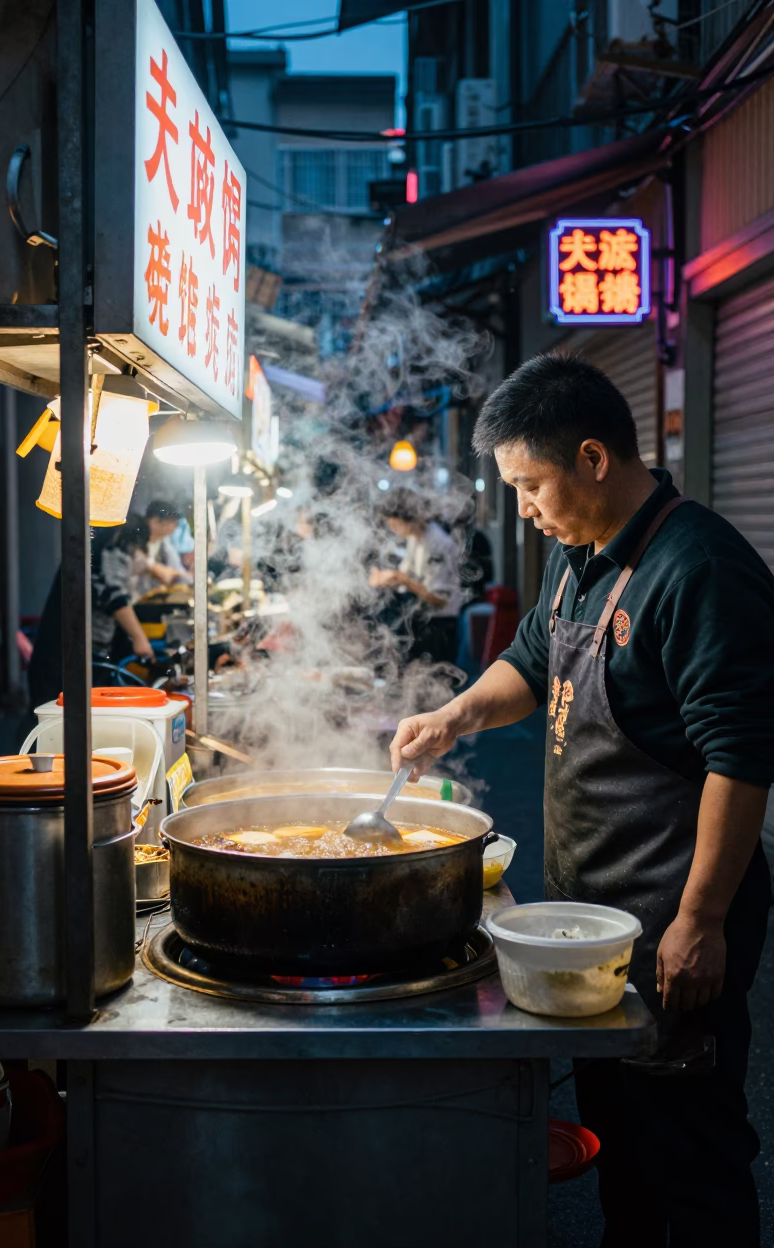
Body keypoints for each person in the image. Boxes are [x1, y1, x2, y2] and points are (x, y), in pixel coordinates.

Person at [390, 352, 774, 1247]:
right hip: (594, 921)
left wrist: (701, 921)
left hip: (671, 915)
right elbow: (530, 664)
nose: (522, 507)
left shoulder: (700, 569)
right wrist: (452, 717)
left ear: (594, 459)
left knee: (695, 1152)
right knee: (625, 1146)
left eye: (530, 484)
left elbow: (743, 758)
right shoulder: (583, 555)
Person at [27, 517, 154, 710]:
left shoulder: (96, 546)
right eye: (134, 548)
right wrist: (139, 638)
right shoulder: (108, 549)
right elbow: (113, 595)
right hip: (68, 656)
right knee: (58, 716)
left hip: (70, 651)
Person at [369, 488, 463, 665]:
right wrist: (388, 578)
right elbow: (408, 575)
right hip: (422, 621)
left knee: (438, 684)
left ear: (410, 519)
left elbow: (439, 599)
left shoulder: (437, 544)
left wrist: (401, 578)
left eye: (396, 525)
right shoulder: (416, 537)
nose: (393, 530)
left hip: (440, 626)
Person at [131, 499, 191, 598]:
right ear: (155, 521)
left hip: (150, 599)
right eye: (172, 522)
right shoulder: (134, 539)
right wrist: (153, 567)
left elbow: (178, 571)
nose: (175, 526)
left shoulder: (164, 543)